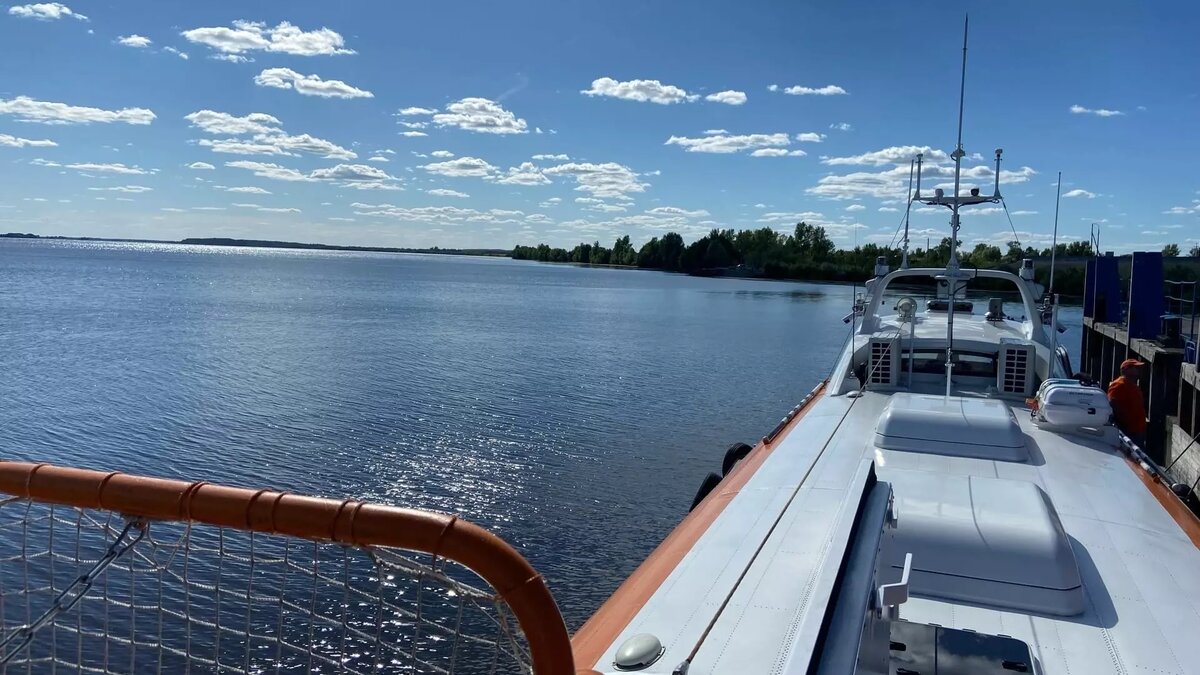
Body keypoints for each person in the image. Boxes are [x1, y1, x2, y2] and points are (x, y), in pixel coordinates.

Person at [1107, 359, 1147, 447]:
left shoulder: (1133, 385)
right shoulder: (1119, 384)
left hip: (1138, 431)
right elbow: (1112, 405)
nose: (1138, 370)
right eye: (1135, 368)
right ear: (1125, 370)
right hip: (1129, 432)